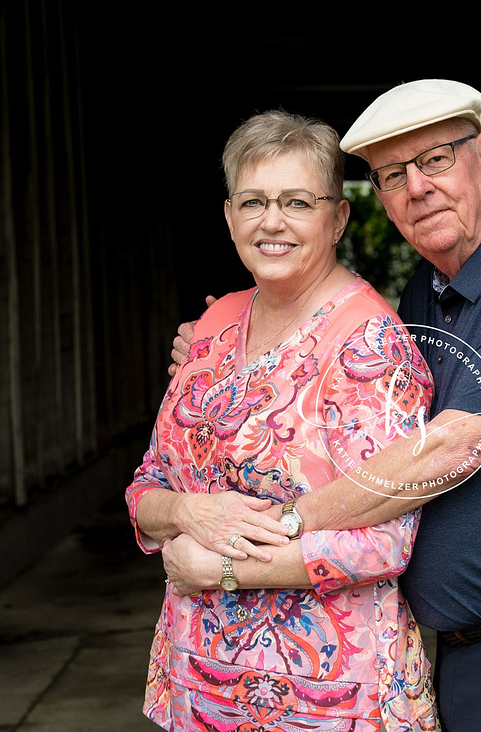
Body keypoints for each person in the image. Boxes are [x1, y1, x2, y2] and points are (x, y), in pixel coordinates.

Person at [174, 79, 481, 731]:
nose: (417, 187)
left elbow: (457, 443)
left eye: (436, 160)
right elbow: (344, 403)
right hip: (470, 649)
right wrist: (234, 356)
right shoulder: (427, 296)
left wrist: (271, 531)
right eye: (392, 174)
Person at [126, 109, 438, 731]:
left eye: (297, 201)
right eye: (253, 201)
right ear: (228, 216)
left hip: (329, 694)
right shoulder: (212, 328)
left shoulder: (367, 345)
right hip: (198, 682)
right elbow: (146, 483)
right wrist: (186, 512)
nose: (272, 222)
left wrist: (219, 569)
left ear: (339, 217)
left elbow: (386, 541)